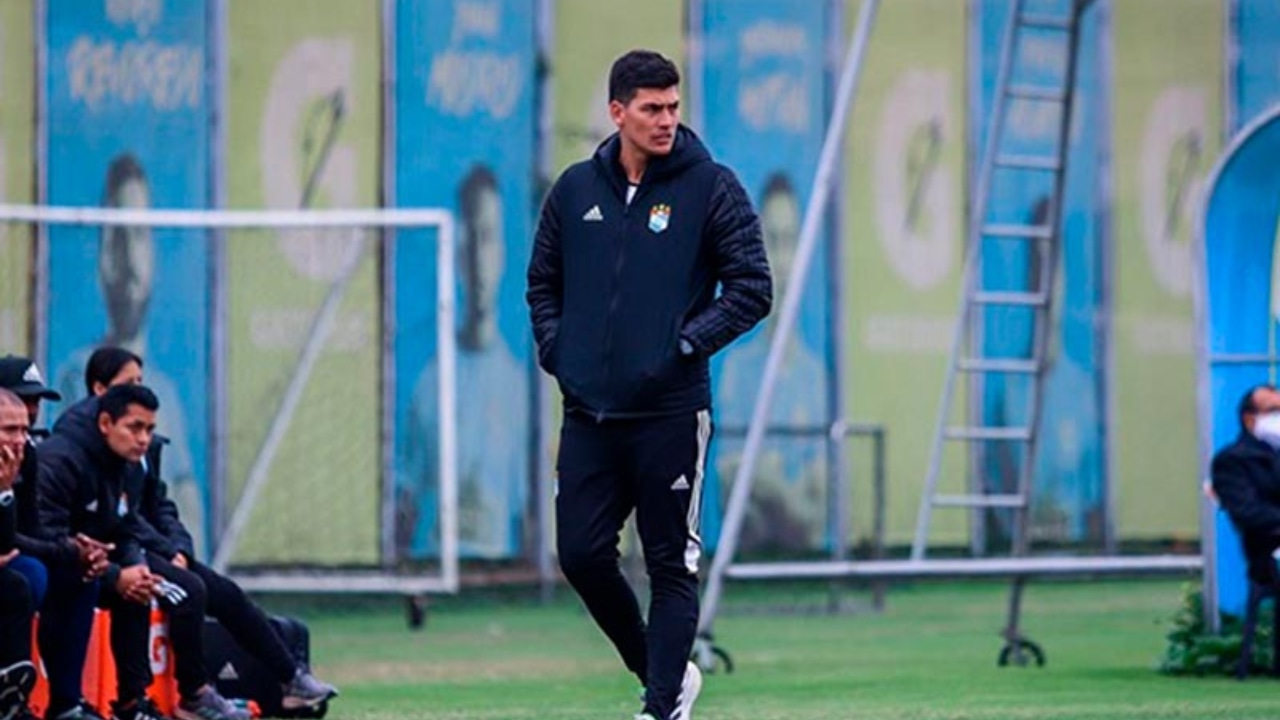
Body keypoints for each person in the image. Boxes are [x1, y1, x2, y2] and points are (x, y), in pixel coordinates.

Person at [526, 50, 772, 720]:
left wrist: (682, 346)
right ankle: (666, 675)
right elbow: (542, 283)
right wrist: (559, 352)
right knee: (581, 555)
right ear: (618, 112)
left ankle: (661, 707)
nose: (666, 120)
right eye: (651, 108)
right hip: (589, 414)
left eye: (672, 107)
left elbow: (752, 287)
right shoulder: (574, 190)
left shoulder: (711, 187)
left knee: (670, 564)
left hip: (671, 413)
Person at [76, 347, 337, 719]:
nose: (139, 392)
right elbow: (121, 519)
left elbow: (160, 506)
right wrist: (160, 552)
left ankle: (290, 679)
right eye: (127, 383)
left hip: (153, 547)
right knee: (189, 591)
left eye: (141, 382)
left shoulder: (143, 448)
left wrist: (179, 547)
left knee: (226, 593)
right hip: (126, 551)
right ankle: (192, 695)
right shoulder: (88, 449)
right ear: (100, 392)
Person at [39, 384, 247, 720]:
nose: (144, 439)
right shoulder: (62, 459)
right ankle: (68, 704)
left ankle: (132, 703)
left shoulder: (129, 464)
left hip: (94, 561)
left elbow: (125, 525)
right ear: (105, 423)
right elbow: (45, 533)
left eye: (149, 429)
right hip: (57, 561)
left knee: (144, 586)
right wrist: (114, 575)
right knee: (76, 581)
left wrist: (133, 567)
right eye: (135, 427)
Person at [52, 153, 205, 558]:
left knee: (205, 588)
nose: (128, 258)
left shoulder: (168, 398)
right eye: (115, 238)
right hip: (105, 559)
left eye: (138, 236)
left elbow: (176, 508)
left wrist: (182, 556)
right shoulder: (72, 379)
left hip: (146, 554)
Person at [398, 165, 529, 559]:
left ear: (502, 254)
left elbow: (530, 517)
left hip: (499, 574)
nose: (477, 258)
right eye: (468, 240)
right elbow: (406, 504)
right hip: (436, 563)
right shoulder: (429, 382)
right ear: (455, 254)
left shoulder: (520, 388)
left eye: (486, 238)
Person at [712, 173, 828, 552]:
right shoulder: (738, 369)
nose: (781, 262)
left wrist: (766, 484)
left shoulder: (814, 378)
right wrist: (788, 499)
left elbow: (816, 521)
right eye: (771, 243)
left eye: (789, 242)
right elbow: (733, 494)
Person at [0, 359, 108, 720]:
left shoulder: (27, 453)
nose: (29, 419)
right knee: (25, 579)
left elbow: (29, 529)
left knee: (80, 575)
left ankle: (66, 704)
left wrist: (76, 548)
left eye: (34, 405)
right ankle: (12, 700)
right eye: (11, 426)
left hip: (11, 552)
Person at [1211, 384, 1280, 589]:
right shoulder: (1232, 461)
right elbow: (1247, 512)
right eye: (1273, 411)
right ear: (1249, 419)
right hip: (1268, 552)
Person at [0, 388, 39, 720]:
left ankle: (12, 697)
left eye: (24, 429)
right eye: (10, 430)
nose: (20, 439)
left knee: (16, 584)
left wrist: (4, 488)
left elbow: (7, 543)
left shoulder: (24, 460)